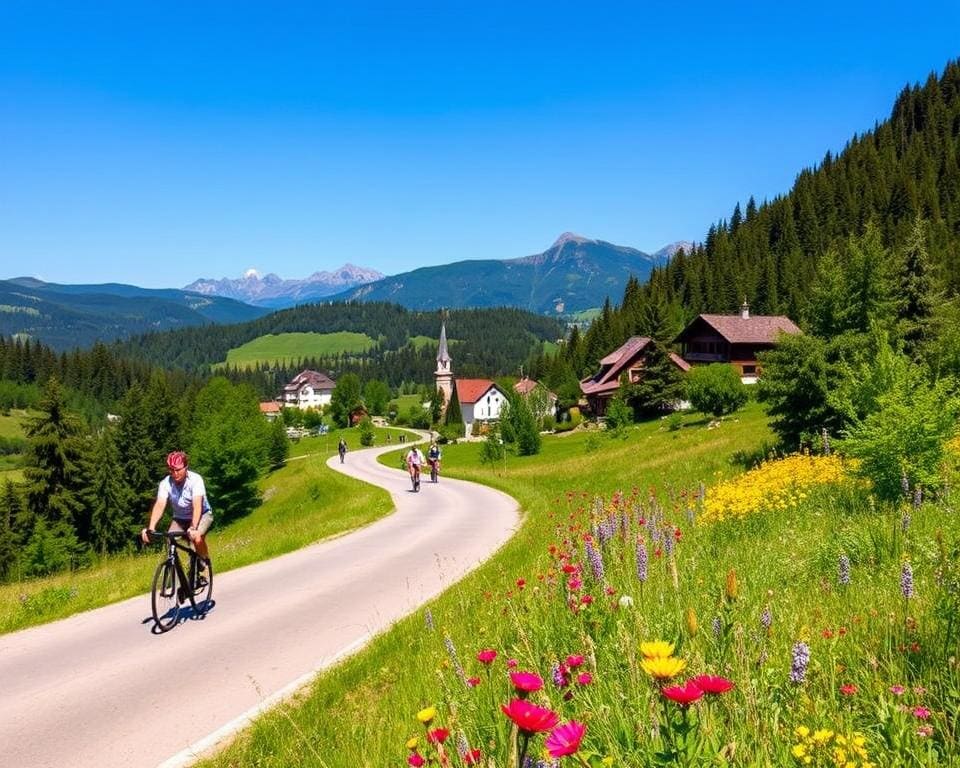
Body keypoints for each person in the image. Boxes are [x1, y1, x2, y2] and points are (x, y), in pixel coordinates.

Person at [141, 451, 214, 579]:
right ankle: (177, 573)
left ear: (186, 467)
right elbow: (160, 504)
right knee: (170, 540)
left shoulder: (196, 480)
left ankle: (204, 563)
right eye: (171, 470)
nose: (175, 474)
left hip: (202, 515)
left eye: (178, 470)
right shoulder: (166, 483)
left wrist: (193, 527)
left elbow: (197, 505)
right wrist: (151, 527)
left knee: (196, 538)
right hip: (180, 518)